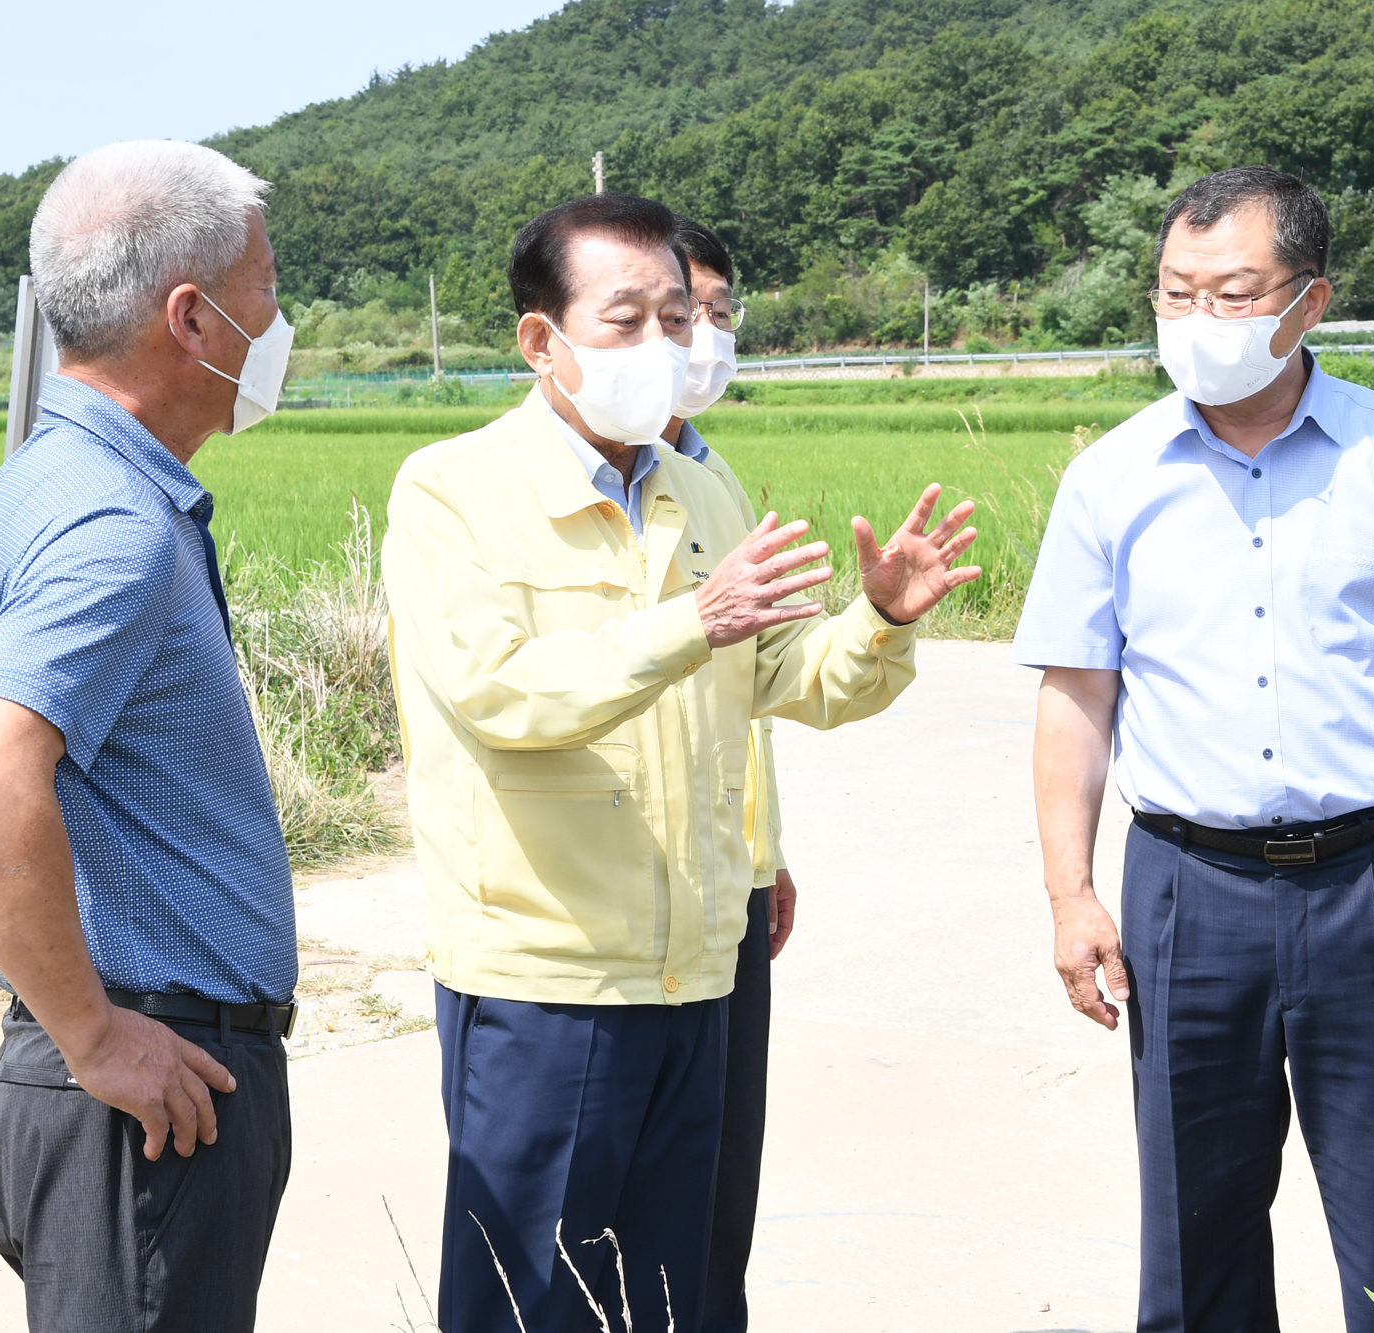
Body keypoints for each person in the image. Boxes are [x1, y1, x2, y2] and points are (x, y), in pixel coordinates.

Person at [382, 192, 979, 1333]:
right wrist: (691, 622)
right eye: (625, 320)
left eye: (675, 317)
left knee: (669, 1294)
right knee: (531, 1302)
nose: (661, 345)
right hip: (547, 975)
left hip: (694, 972)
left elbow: (786, 678)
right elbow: (500, 694)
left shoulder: (701, 487)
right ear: (540, 339)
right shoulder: (452, 490)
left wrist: (880, 621)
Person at [1016, 166, 1374, 1333]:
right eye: (1175, 291)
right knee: (1192, 1233)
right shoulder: (1108, 478)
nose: (1198, 319)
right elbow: (1076, 695)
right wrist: (1068, 896)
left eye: (1233, 293)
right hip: (1184, 891)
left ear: (1308, 301)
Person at [0, 141, 298, 1333]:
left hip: (121, 1075)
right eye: (265, 289)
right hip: (147, 1085)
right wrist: (92, 1033)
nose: (279, 322)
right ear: (191, 318)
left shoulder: (40, 480)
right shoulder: (112, 521)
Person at [659, 213, 796, 1333]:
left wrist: (769, 850)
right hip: (618, 899)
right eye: (675, 313)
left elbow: (746, 691)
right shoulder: (481, 489)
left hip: (730, 878)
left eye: (716, 313)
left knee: (717, 1181)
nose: (702, 337)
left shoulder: (716, 480)